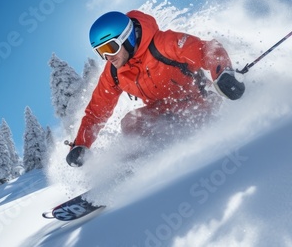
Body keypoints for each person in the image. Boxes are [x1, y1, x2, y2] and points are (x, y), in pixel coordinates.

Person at [66, 10, 245, 166]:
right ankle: (136, 167)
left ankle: (197, 151)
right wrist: (82, 144)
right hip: (164, 111)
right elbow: (98, 110)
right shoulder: (114, 72)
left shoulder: (163, 44)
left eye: (110, 48)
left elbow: (206, 50)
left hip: (199, 102)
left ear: (127, 38)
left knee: (198, 118)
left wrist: (223, 73)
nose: (107, 56)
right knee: (131, 122)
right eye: (100, 51)